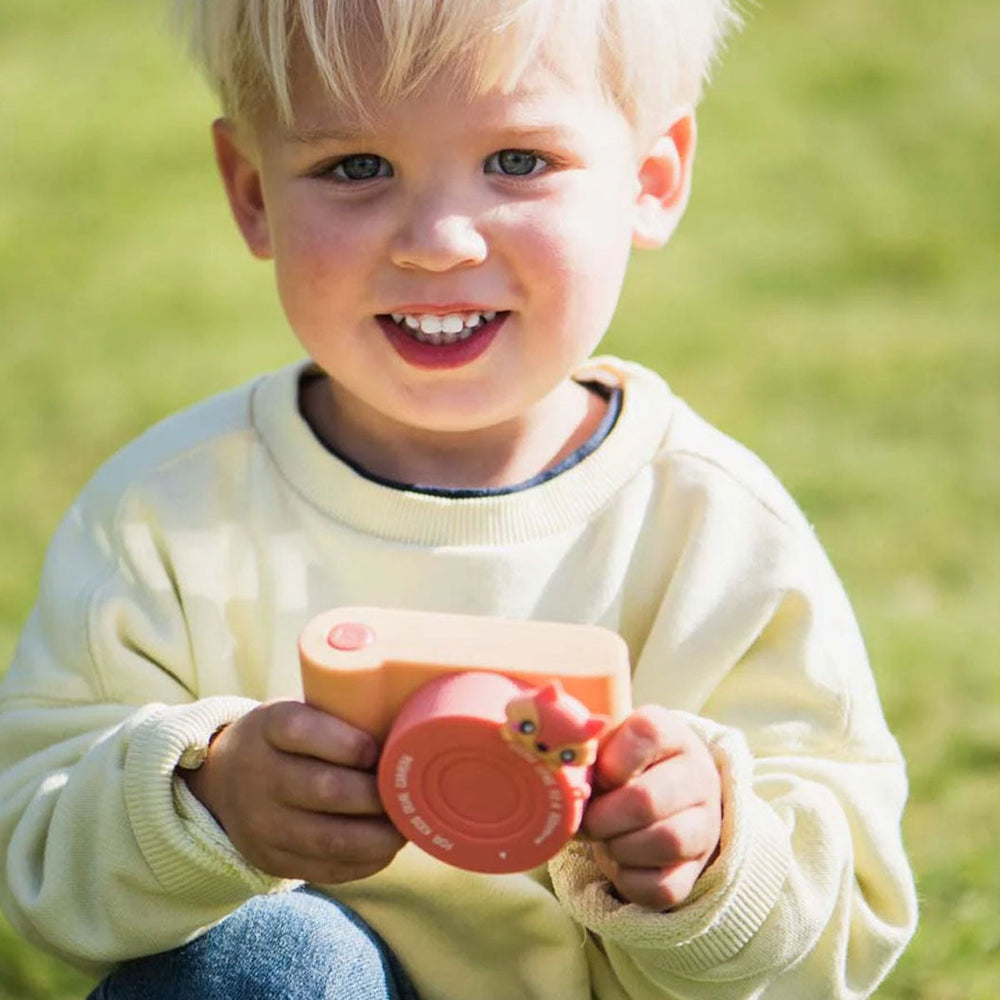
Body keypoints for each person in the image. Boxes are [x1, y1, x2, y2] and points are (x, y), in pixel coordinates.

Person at [0, 1, 918, 997]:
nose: (437, 241)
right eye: (356, 167)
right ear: (252, 191)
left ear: (651, 182)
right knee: (273, 957)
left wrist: (712, 860)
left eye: (518, 160)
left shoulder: (714, 530)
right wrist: (201, 802)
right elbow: (31, 852)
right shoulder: (170, 516)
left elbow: (847, 932)